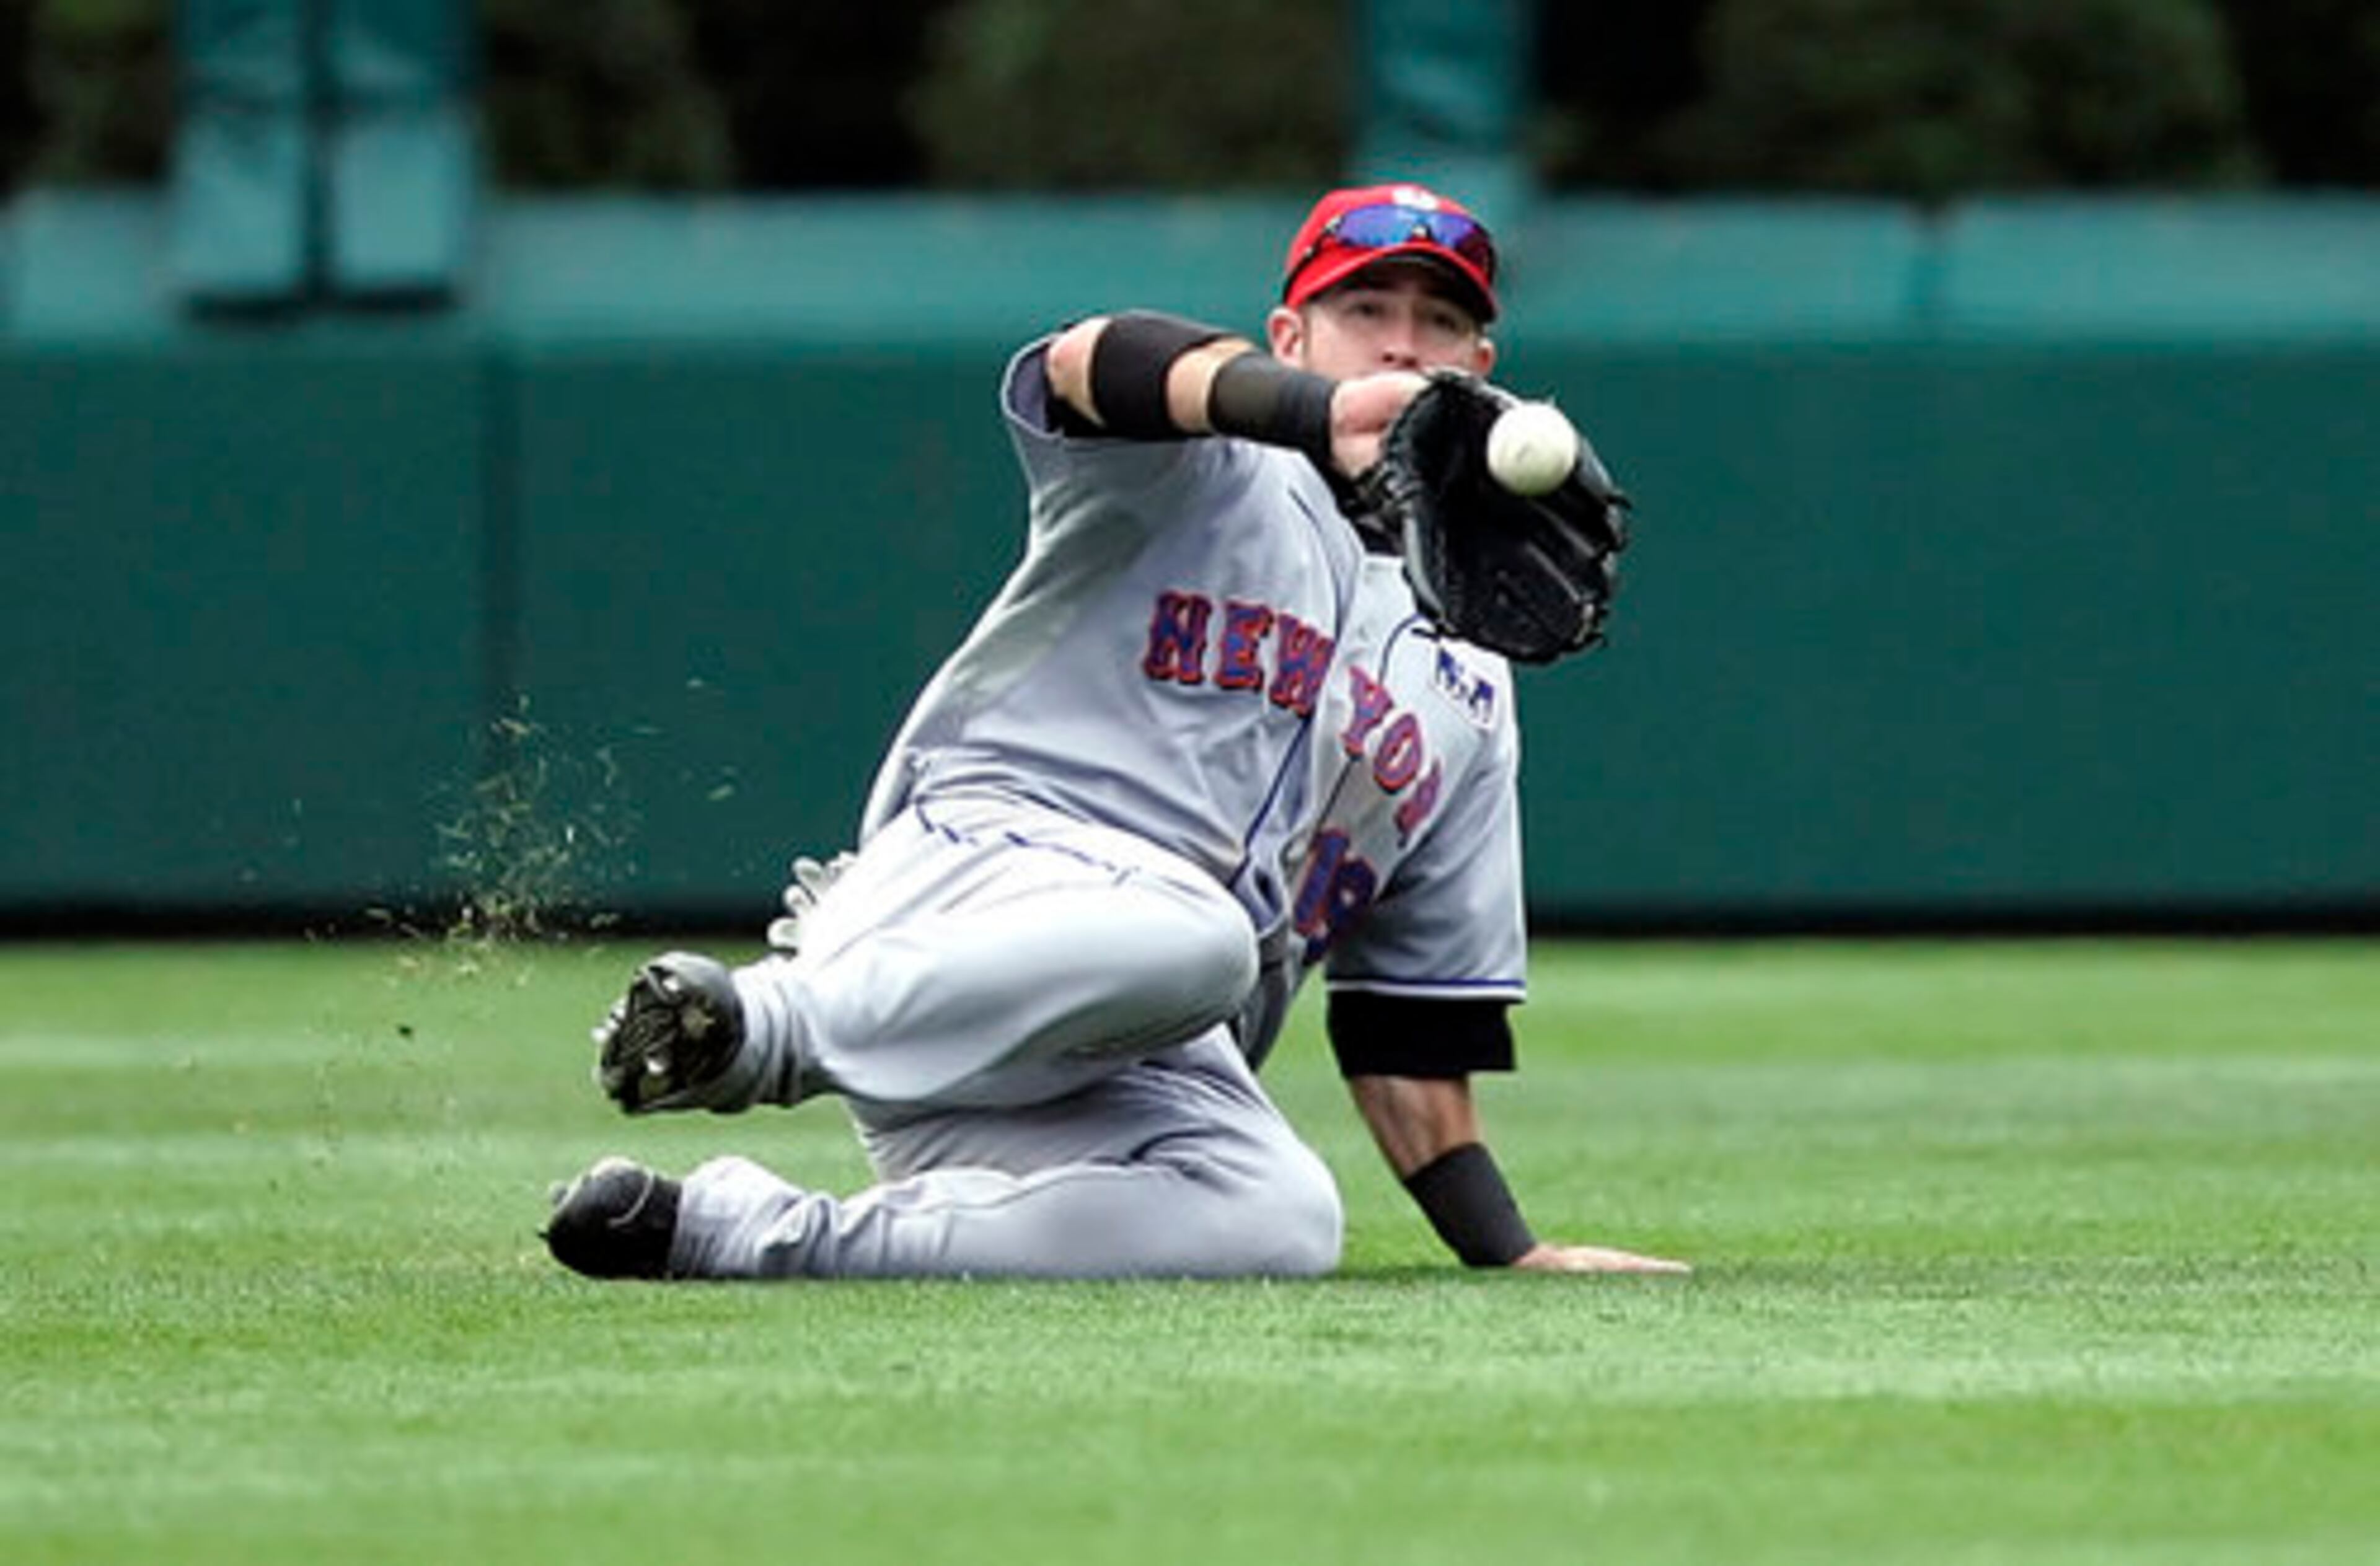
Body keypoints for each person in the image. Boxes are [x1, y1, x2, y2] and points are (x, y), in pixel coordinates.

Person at [542, 182, 1690, 1282]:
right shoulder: (1192, 466)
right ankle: (755, 1028)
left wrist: (1510, 1250)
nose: (1401, 346)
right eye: (1365, 309)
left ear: (1483, 369)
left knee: (1282, 1216)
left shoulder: (1469, 679)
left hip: (1127, 1046)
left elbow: (1408, 1027)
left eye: (1439, 321)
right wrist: (1314, 417)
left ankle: (726, 1235)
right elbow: (1083, 360)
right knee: (1204, 939)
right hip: (963, 903)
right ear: (1290, 337)